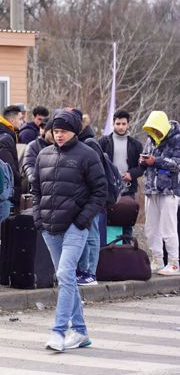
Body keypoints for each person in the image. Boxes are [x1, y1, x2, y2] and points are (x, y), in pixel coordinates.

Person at [32, 109, 106, 351]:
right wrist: (39, 219)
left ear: (75, 131)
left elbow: (100, 192)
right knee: (66, 279)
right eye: (55, 130)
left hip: (76, 226)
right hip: (49, 227)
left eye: (63, 130)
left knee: (65, 275)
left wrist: (82, 220)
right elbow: (36, 191)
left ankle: (59, 331)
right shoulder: (43, 155)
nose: (59, 135)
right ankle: (81, 332)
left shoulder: (87, 154)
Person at [139, 110, 180, 275]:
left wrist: (155, 161)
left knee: (168, 228)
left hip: (169, 190)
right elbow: (147, 159)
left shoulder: (177, 138)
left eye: (156, 129)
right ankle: (157, 260)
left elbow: (177, 163)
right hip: (151, 189)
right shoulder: (150, 139)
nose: (154, 133)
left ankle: (174, 262)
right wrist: (143, 160)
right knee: (151, 228)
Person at [0, 105, 24, 266]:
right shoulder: (6, 138)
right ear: (11, 120)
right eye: (21, 118)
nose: (23, 122)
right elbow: (7, 167)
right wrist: (18, 180)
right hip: (2, 192)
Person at [97, 110, 144, 236]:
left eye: (123, 124)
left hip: (128, 189)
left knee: (127, 221)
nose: (121, 127)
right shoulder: (103, 143)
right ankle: (107, 250)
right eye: (118, 124)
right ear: (113, 124)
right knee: (106, 220)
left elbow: (142, 166)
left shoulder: (136, 145)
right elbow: (97, 164)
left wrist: (131, 174)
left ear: (128, 124)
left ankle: (127, 248)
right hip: (108, 189)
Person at [74, 109, 106, 286]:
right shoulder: (82, 142)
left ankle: (90, 272)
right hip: (84, 197)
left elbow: (96, 178)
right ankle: (83, 270)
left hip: (92, 198)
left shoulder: (90, 143)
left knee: (92, 235)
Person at [22, 119, 54, 188]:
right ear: (45, 131)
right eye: (51, 132)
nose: (54, 135)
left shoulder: (60, 147)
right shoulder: (33, 146)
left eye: (56, 132)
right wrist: (33, 179)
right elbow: (28, 164)